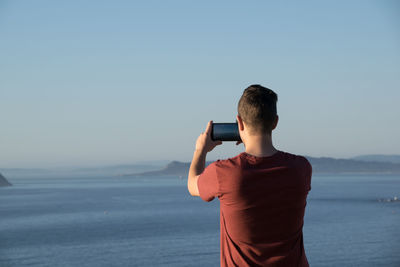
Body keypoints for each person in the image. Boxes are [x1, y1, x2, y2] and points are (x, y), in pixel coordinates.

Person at [187, 84, 312, 267]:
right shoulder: (301, 169)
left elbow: (192, 185)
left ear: (239, 123)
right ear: (275, 122)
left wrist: (200, 150)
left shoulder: (224, 173)